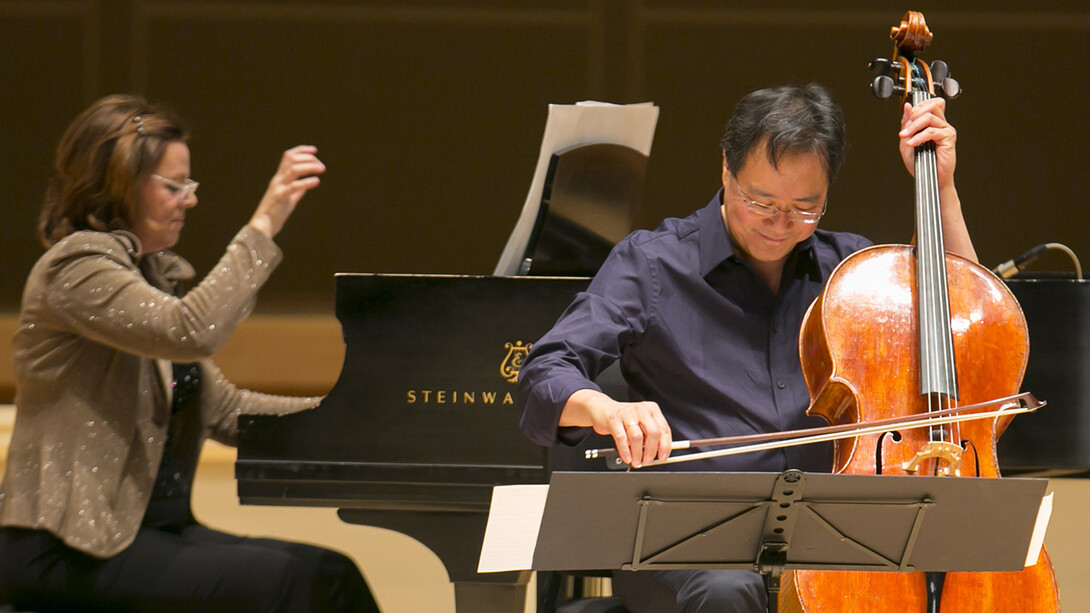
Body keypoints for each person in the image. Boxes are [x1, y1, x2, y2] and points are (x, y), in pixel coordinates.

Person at [518, 84, 976, 613]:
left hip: (831, 540)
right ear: (725, 172)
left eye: (806, 207)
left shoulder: (853, 275)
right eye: (761, 202)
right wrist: (606, 408)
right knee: (728, 588)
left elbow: (965, 324)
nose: (780, 225)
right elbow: (544, 372)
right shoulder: (652, 265)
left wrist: (939, 187)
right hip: (686, 547)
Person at [0, 94, 380, 612]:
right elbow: (191, 331)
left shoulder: (143, 278)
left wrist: (359, 420)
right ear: (118, 185)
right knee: (283, 580)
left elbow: (223, 410)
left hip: (148, 535)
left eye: (189, 185)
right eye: (174, 187)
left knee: (333, 573)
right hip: (65, 548)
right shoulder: (75, 269)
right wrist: (265, 223)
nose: (190, 200)